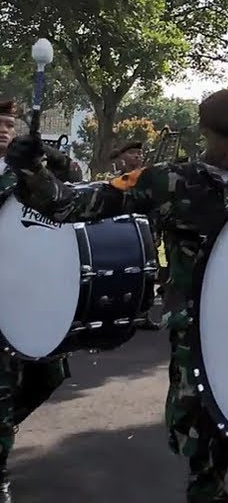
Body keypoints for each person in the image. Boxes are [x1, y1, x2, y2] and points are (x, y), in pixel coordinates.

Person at [3, 89, 228, 503]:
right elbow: (70, 206)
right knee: (205, 450)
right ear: (206, 132)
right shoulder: (164, 180)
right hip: (200, 338)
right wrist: (34, 168)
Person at [0, 98, 79, 503]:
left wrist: (46, 154)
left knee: (49, 375)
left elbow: (73, 185)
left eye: (8, 123)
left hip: (31, 292)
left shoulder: (26, 170)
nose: (3, 129)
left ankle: (5, 429)